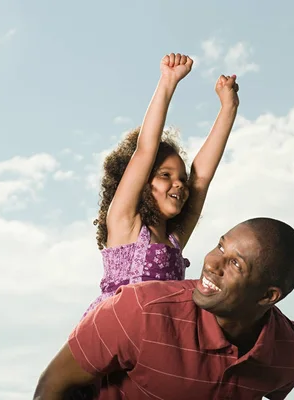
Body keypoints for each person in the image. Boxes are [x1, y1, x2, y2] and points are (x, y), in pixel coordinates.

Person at [34, 217, 294, 400]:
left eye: (236, 264)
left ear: (268, 296)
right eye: (220, 246)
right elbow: (52, 386)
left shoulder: (290, 351)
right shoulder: (140, 309)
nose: (213, 264)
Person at [84, 52, 240, 316]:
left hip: (157, 340)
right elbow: (145, 150)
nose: (179, 184)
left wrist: (229, 108)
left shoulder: (174, 241)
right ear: (142, 183)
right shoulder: (124, 223)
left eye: (181, 178)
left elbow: (201, 177)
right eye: (165, 175)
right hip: (116, 331)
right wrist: (168, 81)